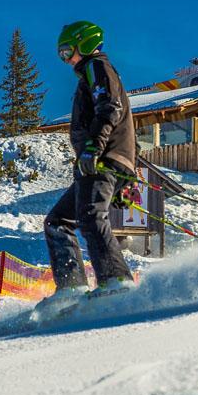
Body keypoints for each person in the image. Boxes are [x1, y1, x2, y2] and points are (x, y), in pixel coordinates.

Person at [41, 21, 136, 311]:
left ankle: (116, 280)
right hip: (104, 160)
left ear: (84, 43)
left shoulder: (97, 67)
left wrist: (94, 147)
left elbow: (109, 109)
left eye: (68, 51)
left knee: (90, 215)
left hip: (101, 159)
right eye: (61, 54)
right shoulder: (91, 73)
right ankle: (71, 286)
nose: (67, 59)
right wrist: (126, 177)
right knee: (57, 221)